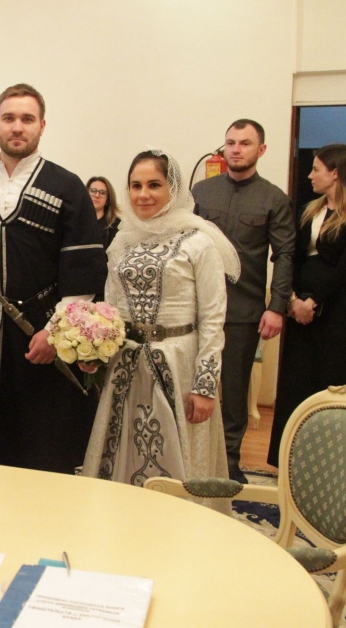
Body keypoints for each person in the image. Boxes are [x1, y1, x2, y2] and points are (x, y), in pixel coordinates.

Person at [0, 83, 106, 473]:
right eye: (9, 118)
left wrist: (55, 332)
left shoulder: (67, 187)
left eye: (27, 119)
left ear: (42, 125)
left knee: (39, 442)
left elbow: (82, 274)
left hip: (37, 333)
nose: (17, 127)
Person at [81, 150, 240, 514]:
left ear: (173, 189)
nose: (143, 194)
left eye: (154, 185)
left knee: (178, 458)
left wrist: (205, 386)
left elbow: (213, 318)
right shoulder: (122, 242)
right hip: (127, 367)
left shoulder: (198, 241)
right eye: (135, 186)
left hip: (180, 364)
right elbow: (111, 310)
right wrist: (96, 353)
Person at [192, 119, 296, 484]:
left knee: (234, 390)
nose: (236, 149)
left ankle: (229, 462)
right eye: (231, 142)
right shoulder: (201, 192)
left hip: (243, 311)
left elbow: (285, 255)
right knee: (192, 384)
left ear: (261, 150)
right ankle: (193, 456)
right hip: (196, 309)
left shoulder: (274, 199)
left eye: (245, 143)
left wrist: (277, 306)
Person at [267, 144, 346, 466]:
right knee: (294, 383)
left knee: (327, 385)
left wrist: (313, 302)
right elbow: (293, 257)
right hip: (298, 306)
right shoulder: (310, 210)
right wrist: (291, 300)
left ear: (336, 173)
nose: (310, 175)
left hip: (334, 313)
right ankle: (286, 459)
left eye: (316, 169)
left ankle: (322, 463)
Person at [87, 175, 121, 249]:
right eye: (93, 191)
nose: (97, 195)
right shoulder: (75, 222)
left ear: (107, 200)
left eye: (102, 193)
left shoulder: (117, 226)